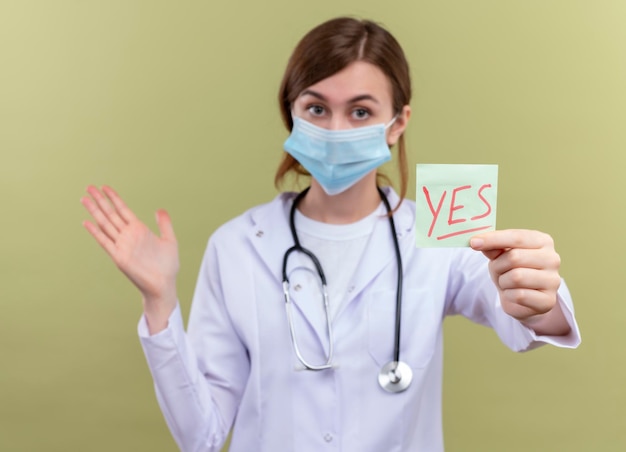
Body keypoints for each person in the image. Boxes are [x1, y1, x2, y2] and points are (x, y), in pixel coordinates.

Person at [81, 17, 581, 452]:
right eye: (317, 109)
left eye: (360, 112)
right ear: (291, 114)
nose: (337, 130)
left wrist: (538, 294)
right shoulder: (236, 245)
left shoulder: (440, 233)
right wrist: (160, 301)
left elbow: (525, 319)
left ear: (397, 123)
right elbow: (202, 437)